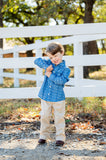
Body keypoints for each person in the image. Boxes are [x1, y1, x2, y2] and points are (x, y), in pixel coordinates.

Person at [34, 42, 70, 146]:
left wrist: (49, 74)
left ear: (62, 53)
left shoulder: (66, 69)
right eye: (50, 57)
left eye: (55, 56)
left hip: (58, 98)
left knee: (59, 118)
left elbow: (61, 81)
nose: (54, 59)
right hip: (45, 96)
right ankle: (43, 136)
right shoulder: (49, 64)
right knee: (45, 116)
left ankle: (60, 137)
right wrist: (47, 67)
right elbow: (37, 61)